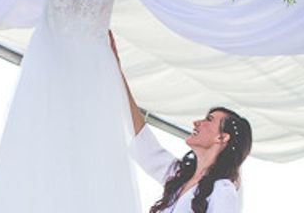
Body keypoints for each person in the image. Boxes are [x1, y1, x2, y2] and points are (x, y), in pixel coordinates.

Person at [108, 30, 252, 213]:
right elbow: (143, 140)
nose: (196, 122)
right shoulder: (179, 175)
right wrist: (116, 71)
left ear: (222, 137)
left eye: (209, 120)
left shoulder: (223, 190)